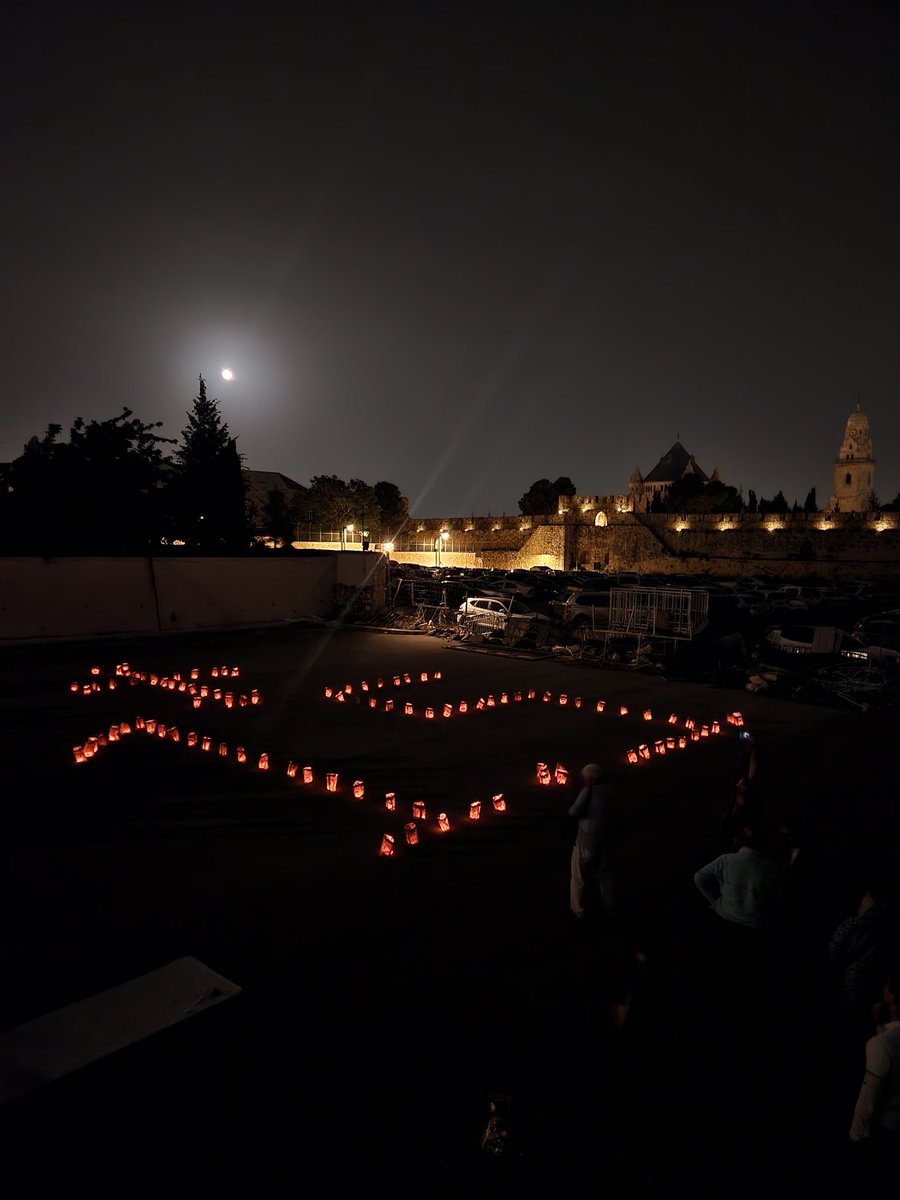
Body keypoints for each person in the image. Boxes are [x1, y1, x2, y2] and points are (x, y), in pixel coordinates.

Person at [849, 969, 900, 1146]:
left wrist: (857, 1134)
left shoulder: (881, 1044)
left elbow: (868, 1099)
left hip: (886, 1130)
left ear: (891, 996)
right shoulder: (884, 1041)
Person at [568, 763, 613, 919]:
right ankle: (609, 907)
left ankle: (578, 910)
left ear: (591, 778)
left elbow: (573, 811)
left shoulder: (588, 791)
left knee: (578, 878)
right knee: (605, 878)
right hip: (604, 840)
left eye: (585, 777)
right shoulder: (608, 793)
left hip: (584, 841)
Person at [721, 733, 762, 850]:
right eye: (740, 783)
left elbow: (753, 772)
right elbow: (753, 772)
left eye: (741, 783)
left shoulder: (747, 804)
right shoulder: (742, 797)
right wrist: (755, 747)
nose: (740, 783)